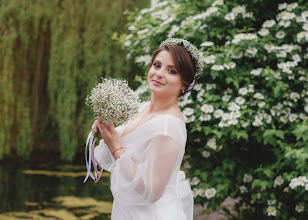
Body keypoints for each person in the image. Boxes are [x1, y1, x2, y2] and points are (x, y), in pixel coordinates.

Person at [91, 38, 203, 220]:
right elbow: (116, 151)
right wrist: (106, 129)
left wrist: (116, 147)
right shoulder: (142, 109)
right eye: (157, 65)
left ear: (184, 84)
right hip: (128, 211)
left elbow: (151, 191)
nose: (159, 74)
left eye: (171, 71)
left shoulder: (169, 127)